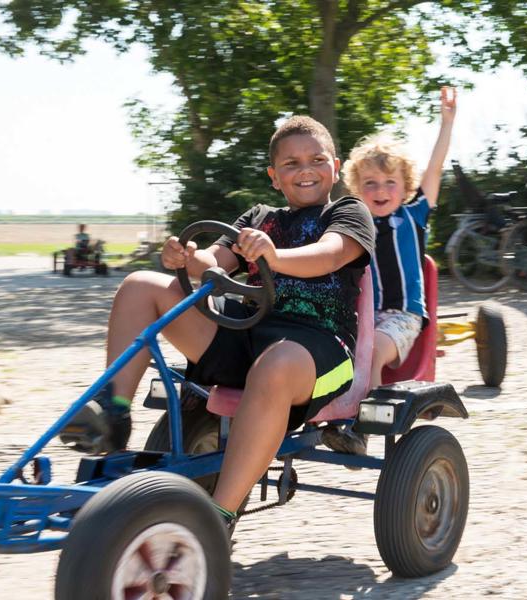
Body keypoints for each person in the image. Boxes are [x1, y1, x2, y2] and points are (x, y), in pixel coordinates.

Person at [59, 115, 376, 529]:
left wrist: (274, 257)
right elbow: (215, 261)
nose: (305, 171)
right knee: (140, 286)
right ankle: (113, 413)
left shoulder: (349, 212)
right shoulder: (260, 217)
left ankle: (218, 518)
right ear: (274, 176)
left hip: (318, 347)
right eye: (291, 164)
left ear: (335, 166)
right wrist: (186, 258)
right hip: (249, 332)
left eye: (316, 160)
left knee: (276, 364)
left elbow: (331, 254)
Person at [322, 87, 456, 456]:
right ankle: (326, 412)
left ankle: (360, 431)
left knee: (369, 350)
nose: (380, 190)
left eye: (389, 183)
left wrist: (446, 122)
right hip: (362, 316)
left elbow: (436, 168)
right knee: (328, 346)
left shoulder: (411, 217)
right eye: (370, 184)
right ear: (356, 190)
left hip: (401, 318)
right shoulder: (350, 227)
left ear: (405, 188)